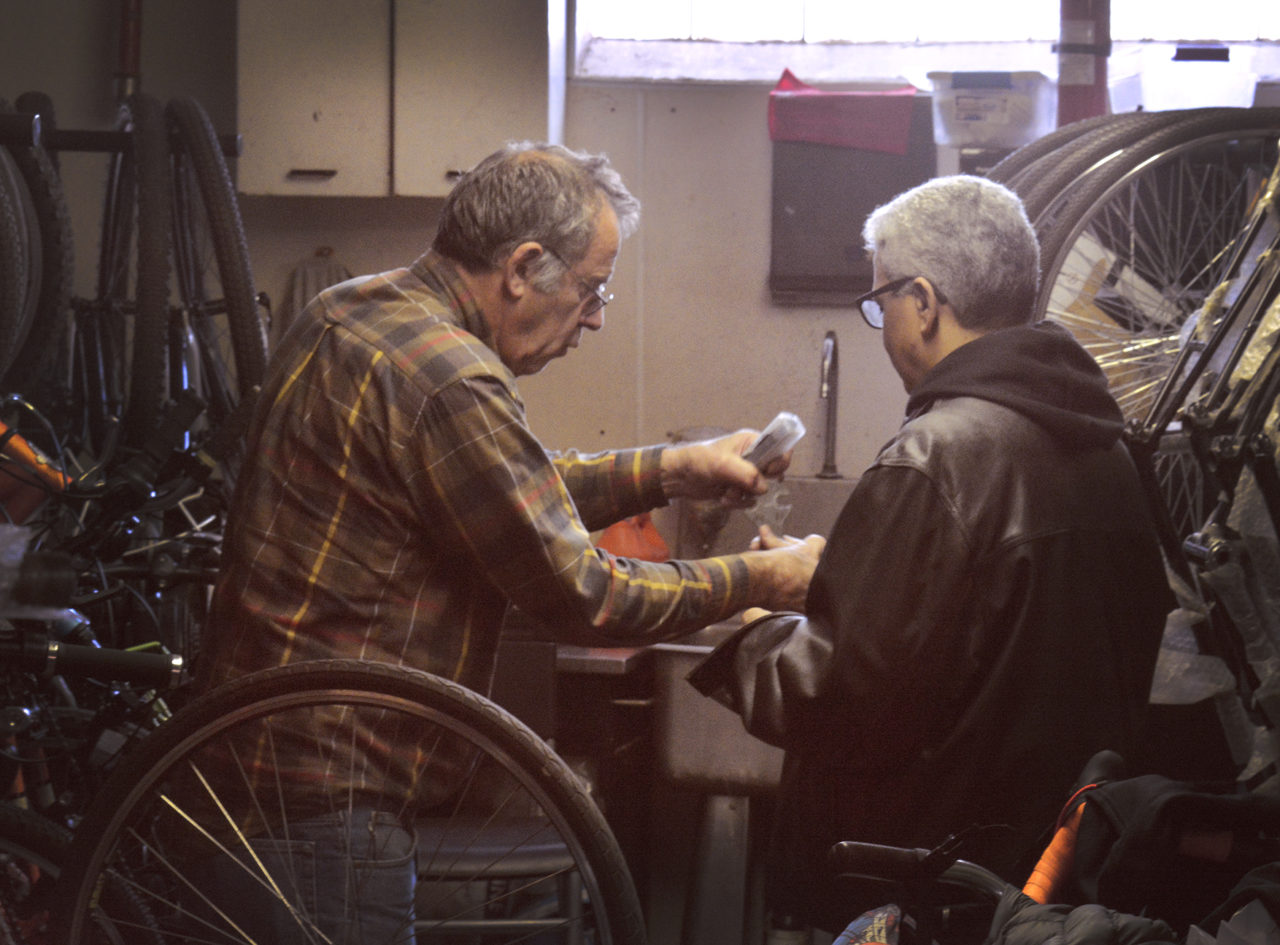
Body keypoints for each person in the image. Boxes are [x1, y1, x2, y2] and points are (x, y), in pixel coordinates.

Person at [197, 140, 823, 941]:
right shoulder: (453, 376)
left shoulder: (350, 310)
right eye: (593, 289)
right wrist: (765, 578)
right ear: (524, 265)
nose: (596, 317)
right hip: (327, 800)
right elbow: (587, 596)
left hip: (239, 774)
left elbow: (493, 483)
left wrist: (670, 469)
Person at [694, 175, 1174, 933]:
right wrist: (846, 579)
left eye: (880, 302)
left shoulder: (933, 456)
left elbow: (842, 696)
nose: (883, 324)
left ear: (923, 302)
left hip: (927, 885)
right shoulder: (1107, 449)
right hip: (1058, 877)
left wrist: (754, 624)